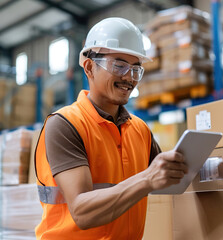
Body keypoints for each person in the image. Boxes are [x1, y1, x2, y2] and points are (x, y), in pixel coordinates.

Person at [35, 17, 188, 240]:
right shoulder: (65, 124)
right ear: (89, 67)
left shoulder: (140, 130)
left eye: (136, 69)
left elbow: (167, 178)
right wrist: (147, 179)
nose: (129, 78)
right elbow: (82, 211)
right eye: (119, 65)